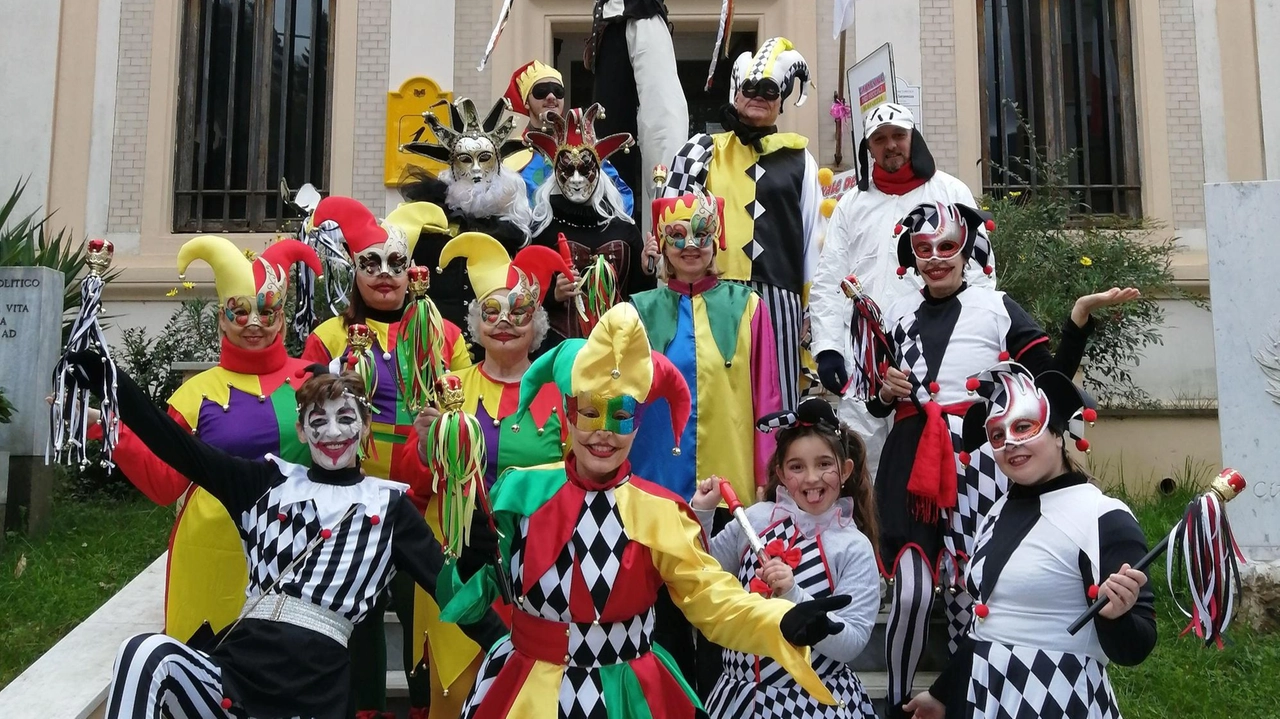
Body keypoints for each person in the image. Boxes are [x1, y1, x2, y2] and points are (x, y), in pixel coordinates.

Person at [435, 303, 851, 718]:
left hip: (627, 697)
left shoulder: (663, 512)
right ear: (568, 411)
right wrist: (469, 564)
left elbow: (714, 600)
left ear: (638, 422)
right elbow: (467, 601)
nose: (603, 432)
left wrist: (781, 618)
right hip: (529, 694)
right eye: (590, 411)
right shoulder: (520, 489)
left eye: (621, 415)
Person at [60, 351, 508, 719]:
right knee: (144, 652)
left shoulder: (390, 508)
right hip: (232, 679)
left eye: (345, 419)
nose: (332, 433)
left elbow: (451, 592)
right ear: (301, 430)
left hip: (312, 696)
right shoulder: (264, 483)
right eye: (318, 421)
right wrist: (109, 380)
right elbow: (178, 447)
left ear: (365, 428)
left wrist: (514, 649)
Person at [867, 200, 1140, 719]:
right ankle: (901, 707)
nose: (936, 258)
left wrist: (1078, 319)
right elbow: (874, 399)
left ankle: (965, 702)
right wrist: (884, 392)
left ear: (967, 247)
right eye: (924, 249)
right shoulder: (896, 316)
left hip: (980, 460)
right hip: (911, 465)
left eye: (947, 246)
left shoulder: (997, 306)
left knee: (977, 591)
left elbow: (1049, 381)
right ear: (912, 256)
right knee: (911, 592)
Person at [83, 235, 321, 646]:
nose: (254, 323)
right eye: (240, 311)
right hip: (212, 555)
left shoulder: (314, 383)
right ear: (222, 320)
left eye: (267, 311)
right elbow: (165, 482)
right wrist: (106, 427)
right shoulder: (196, 394)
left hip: (299, 550)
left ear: (282, 319)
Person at [302, 196, 474, 717]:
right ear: (353, 272)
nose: (384, 275)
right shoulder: (330, 337)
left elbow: (466, 405)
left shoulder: (443, 334)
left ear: (412, 273)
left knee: (424, 615)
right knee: (359, 618)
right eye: (370, 264)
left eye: (396, 264)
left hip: (424, 504)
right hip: (351, 506)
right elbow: (307, 417)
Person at [904, 363, 1155, 718]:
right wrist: (943, 693)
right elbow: (988, 625)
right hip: (985, 694)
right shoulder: (995, 512)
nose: (1010, 443)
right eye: (997, 435)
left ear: (1057, 433)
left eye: (1024, 426)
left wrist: (1117, 617)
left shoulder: (1104, 516)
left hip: (1059, 698)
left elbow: (1135, 647)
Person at [401, 231, 574, 715]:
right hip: (457, 567)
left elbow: (577, 485)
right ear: (474, 325)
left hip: (537, 568)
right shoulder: (447, 391)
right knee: (454, 698)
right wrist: (425, 446)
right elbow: (416, 487)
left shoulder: (558, 394)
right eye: (490, 314)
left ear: (536, 324)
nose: (503, 325)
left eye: (517, 313)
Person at [811, 102, 995, 478]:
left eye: (898, 136)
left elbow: (979, 272)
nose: (890, 145)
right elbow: (830, 280)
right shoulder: (851, 204)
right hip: (864, 356)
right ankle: (869, 537)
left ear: (914, 138)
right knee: (863, 462)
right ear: (868, 148)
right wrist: (828, 349)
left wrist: (969, 337)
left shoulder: (950, 191)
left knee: (937, 456)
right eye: (879, 139)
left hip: (933, 349)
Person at [691, 398, 882, 719]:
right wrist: (703, 513)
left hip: (815, 702)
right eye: (797, 467)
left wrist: (795, 597)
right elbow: (702, 574)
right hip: (739, 700)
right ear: (780, 472)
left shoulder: (853, 547)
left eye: (824, 464)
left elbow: (853, 642)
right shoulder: (756, 518)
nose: (810, 478)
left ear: (846, 470)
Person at [663, 37, 821, 408]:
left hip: (779, 302)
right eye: (749, 88)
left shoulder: (801, 160)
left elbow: (814, 241)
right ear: (736, 94)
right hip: (712, 293)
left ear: (781, 101)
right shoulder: (702, 150)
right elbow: (670, 223)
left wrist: (811, 310)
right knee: (714, 401)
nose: (758, 96)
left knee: (777, 402)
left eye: (769, 90)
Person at [631, 188, 780, 503]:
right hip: (655, 480)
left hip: (730, 483)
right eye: (677, 236)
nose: (690, 246)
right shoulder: (638, 312)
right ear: (662, 243)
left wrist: (768, 477)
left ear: (715, 240)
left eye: (701, 234)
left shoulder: (749, 307)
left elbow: (768, 400)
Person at [527, 105, 655, 346]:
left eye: (585, 170)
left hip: (618, 348)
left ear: (599, 171)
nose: (576, 179)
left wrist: (647, 269)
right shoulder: (541, 230)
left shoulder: (624, 228)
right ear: (555, 172)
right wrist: (554, 295)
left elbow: (640, 298)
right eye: (567, 170)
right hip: (559, 351)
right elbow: (522, 298)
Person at [401, 96, 533, 331]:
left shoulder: (512, 227)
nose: (475, 169)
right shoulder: (430, 216)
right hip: (436, 334)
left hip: (495, 335)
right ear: (452, 165)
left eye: (484, 159)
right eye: (465, 159)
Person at [502, 60, 634, 215]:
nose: (551, 96)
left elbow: (622, 196)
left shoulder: (587, 147)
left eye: (558, 91)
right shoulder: (511, 153)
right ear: (526, 102)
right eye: (541, 91)